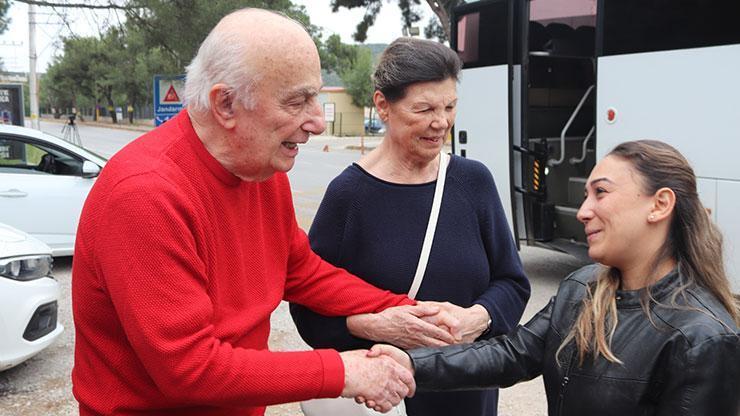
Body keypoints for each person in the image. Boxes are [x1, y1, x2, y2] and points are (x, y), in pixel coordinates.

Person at [71, 9, 459, 416]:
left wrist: (401, 309)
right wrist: (343, 370)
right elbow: (189, 368)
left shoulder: (260, 170)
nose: (316, 122)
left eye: (316, 96)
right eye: (297, 101)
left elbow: (301, 270)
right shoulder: (145, 195)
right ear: (226, 103)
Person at [372, 140, 740, 416]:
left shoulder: (703, 340)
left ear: (660, 205)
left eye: (601, 193)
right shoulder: (583, 288)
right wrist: (410, 364)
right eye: (585, 195)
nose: (583, 211)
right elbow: (512, 354)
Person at [290, 37, 531, 416]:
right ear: (383, 105)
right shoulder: (349, 194)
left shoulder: (473, 182)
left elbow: (512, 283)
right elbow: (308, 310)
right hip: (383, 399)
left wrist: (477, 318)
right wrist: (379, 327)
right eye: (424, 109)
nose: (441, 122)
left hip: (467, 390)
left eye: (450, 107)